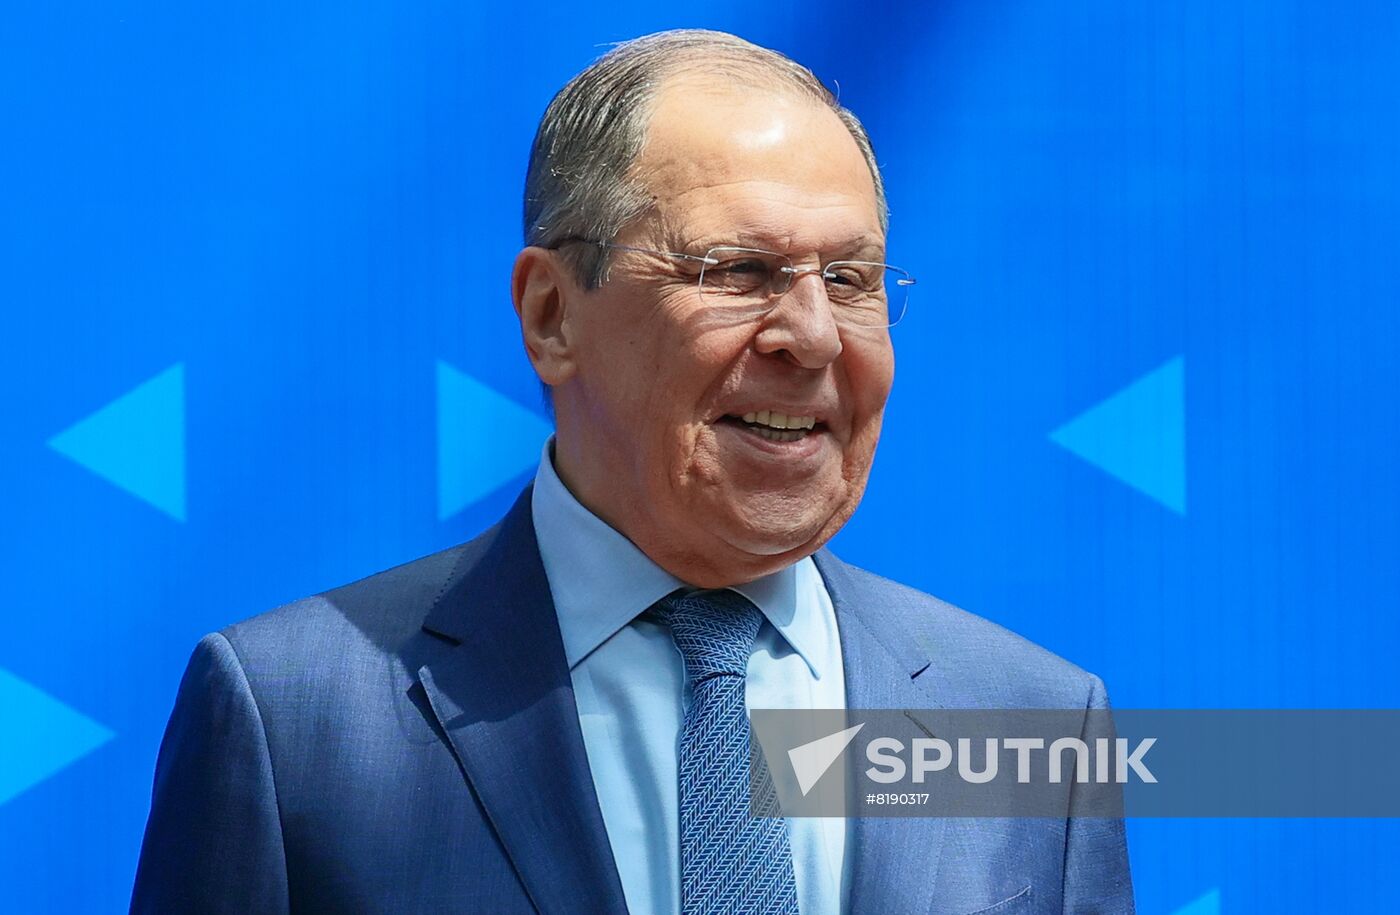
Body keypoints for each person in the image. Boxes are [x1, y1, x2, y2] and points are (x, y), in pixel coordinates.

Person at [132, 29, 1133, 914]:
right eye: (738, 271)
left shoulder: (1032, 718)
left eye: (849, 279)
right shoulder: (294, 718)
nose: (814, 335)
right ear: (551, 316)